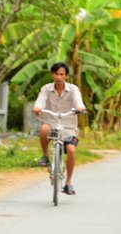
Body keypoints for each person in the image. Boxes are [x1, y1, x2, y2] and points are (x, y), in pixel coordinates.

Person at [33, 62, 86, 195]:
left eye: (61, 74)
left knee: (71, 150)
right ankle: (45, 156)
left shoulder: (73, 89)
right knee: (44, 129)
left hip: (68, 125)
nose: (58, 77)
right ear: (52, 75)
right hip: (50, 120)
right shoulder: (46, 88)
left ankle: (68, 183)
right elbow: (40, 100)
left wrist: (80, 108)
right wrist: (37, 107)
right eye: (56, 74)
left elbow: (78, 101)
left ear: (66, 76)